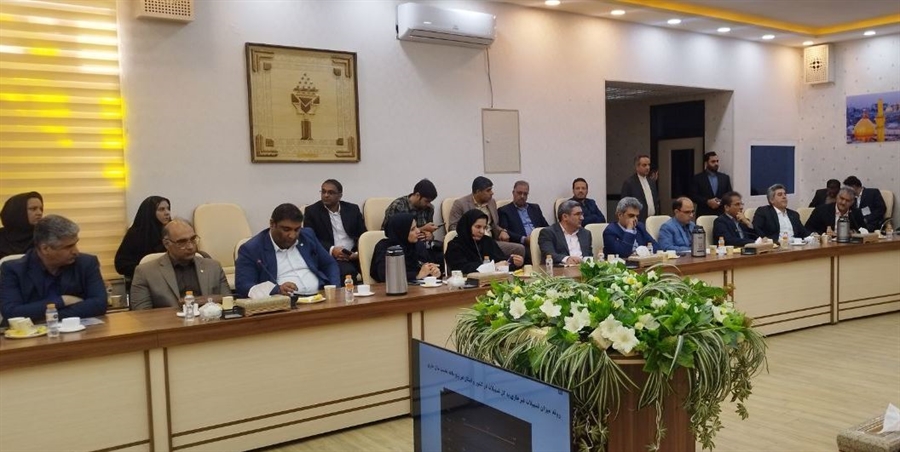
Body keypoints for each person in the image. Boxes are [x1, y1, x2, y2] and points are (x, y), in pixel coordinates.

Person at [0, 215, 107, 323]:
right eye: (68, 247)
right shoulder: (13, 269)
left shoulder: (86, 263)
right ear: (45, 249)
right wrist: (62, 301)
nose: (76, 252)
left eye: (75, 244)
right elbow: (11, 312)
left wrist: (50, 317)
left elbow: (99, 304)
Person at [235, 203, 340, 298]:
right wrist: (276, 290)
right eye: (286, 229)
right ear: (272, 224)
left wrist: (334, 289)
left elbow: (329, 264)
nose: (292, 235)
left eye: (297, 229)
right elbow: (244, 286)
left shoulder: (307, 236)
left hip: (320, 297)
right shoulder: (251, 249)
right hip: (285, 304)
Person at [130, 220, 231, 310]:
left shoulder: (213, 267)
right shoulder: (146, 272)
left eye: (193, 239)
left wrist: (198, 301)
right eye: (182, 242)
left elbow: (228, 302)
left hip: (209, 323)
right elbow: (142, 315)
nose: (190, 247)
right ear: (166, 244)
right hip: (167, 324)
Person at [304, 179, 367, 282]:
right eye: (323, 191)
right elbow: (310, 238)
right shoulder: (312, 211)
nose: (326, 195)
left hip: (354, 253)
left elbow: (363, 234)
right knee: (347, 272)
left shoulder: (352, 209)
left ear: (340, 195)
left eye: (330, 192)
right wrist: (332, 250)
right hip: (332, 256)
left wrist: (357, 254)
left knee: (380, 265)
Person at [448, 176, 525, 259]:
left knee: (519, 249)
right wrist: (471, 234)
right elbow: (453, 227)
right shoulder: (460, 204)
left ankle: (510, 267)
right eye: (488, 190)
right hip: (473, 242)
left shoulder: (491, 202)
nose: (492, 193)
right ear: (478, 192)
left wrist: (502, 231)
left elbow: (494, 225)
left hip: (490, 241)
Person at [382, 178, 443, 263]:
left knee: (442, 256)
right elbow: (390, 233)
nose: (428, 204)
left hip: (422, 247)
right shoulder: (398, 206)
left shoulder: (429, 208)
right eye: (426, 201)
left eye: (430, 201)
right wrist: (422, 229)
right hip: (402, 248)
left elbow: (429, 233)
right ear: (417, 195)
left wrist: (429, 235)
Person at [446, 209, 523, 274]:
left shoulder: (487, 241)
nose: (482, 231)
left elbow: (500, 260)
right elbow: (462, 268)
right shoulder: (455, 245)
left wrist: (513, 262)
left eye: (484, 228)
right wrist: (491, 267)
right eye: (478, 227)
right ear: (467, 226)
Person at [371, 213, 441, 283]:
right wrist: (417, 276)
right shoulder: (385, 247)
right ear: (402, 232)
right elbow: (385, 275)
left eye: (416, 227)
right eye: (412, 229)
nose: (418, 231)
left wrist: (434, 272)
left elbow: (426, 267)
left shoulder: (417, 245)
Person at [114, 195, 171, 280]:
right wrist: (145, 270)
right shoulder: (135, 234)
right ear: (150, 212)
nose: (167, 213)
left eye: (168, 208)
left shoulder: (172, 231)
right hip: (143, 280)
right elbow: (121, 264)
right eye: (161, 209)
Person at [538, 200, 592, 265]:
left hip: (583, 269)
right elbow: (549, 254)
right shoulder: (548, 233)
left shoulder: (586, 234)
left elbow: (589, 257)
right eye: (577, 214)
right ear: (565, 217)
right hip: (560, 270)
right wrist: (567, 259)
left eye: (582, 214)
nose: (582, 218)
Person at [0, 191, 43, 259]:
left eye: (41, 209)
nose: (39, 213)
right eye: (33, 209)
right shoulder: (1, 237)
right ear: (18, 211)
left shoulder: (43, 237)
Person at [690, 152, 733, 217]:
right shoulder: (698, 178)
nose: (716, 164)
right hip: (704, 213)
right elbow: (693, 196)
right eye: (713, 161)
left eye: (717, 161)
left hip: (721, 213)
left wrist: (720, 202)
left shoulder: (725, 178)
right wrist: (707, 201)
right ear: (706, 163)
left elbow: (729, 195)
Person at [620, 155, 660, 221]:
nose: (647, 167)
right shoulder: (629, 183)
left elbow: (656, 201)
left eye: (648, 165)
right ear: (637, 167)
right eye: (644, 165)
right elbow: (625, 205)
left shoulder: (651, 182)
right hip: (637, 221)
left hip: (652, 220)